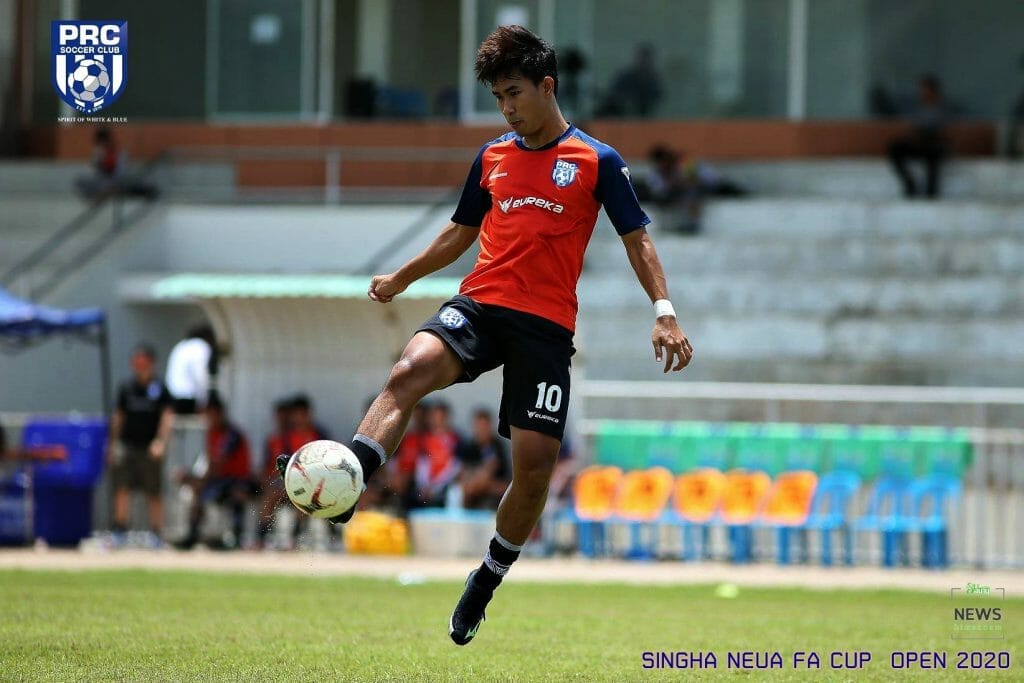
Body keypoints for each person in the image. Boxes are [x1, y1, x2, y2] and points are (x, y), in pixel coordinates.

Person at [273, 24, 691, 646]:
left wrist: (664, 310)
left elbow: (638, 239)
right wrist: (402, 276)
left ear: (547, 86)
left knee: (534, 469)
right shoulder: (493, 157)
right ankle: (352, 475)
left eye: (514, 93)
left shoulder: (597, 161)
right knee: (409, 369)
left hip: (545, 327)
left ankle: (486, 579)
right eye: (498, 98)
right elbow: (459, 233)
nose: (506, 108)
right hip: (481, 305)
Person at [107, 344, 174, 538]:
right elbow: (119, 417)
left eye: (143, 363)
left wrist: (160, 441)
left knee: (153, 491)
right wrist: (112, 444)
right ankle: (119, 529)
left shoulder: (160, 389)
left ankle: (156, 533)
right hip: (128, 445)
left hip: (149, 447)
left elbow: (167, 417)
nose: (140, 367)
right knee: (122, 487)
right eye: (136, 363)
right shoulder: (127, 388)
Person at [177, 392, 255, 549]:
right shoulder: (211, 433)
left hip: (238, 480)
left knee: (236, 493)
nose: (208, 418)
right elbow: (210, 464)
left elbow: (219, 463)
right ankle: (194, 534)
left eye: (211, 413)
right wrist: (194, 479)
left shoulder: (232, 435)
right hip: (221, 480)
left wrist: (198, 480)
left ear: (220, 413)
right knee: (197, 493)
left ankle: (236, 537)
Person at [635, 144, 746, 234]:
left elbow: (712, 180)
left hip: (695, 195)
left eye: (665, 162)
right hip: (672, 201)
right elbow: (659, 191)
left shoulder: (687, 166)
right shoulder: (656, 175)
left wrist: (690, 180)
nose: (663, 166)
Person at [887, 75, 948, 199]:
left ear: (933, 90)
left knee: (934, 153)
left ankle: (931, 192)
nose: (922, 92)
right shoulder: (919, 108)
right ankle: (910, 184)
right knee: (896, 148)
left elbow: (941, 131)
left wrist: (925, 135)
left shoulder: (942, 108)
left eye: (925, 89)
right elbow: (914, 128)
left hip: (933, 144)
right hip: (919, 143)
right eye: (921, 89)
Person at [75, 127, 158, 201]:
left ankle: (143, 191)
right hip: (104, 182)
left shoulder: (119, 152)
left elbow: (120, 173)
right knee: (81, 181)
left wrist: (105, 169)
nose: (103, 145)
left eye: (105, 142)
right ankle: (104, 193)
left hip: (116, 181)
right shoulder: (99, 153)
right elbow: (97, 173)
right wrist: (99, 164)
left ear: (109, 140)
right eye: (100, 143)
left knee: (130, 184)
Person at [456, 408, 510, 510]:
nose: (481, 431)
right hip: (473, 490)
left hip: (494, 491)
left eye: (484, 427)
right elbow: (463, 473)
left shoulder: (497, 446)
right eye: (479, 427)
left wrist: (479, 484)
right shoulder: (469, 447)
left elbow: (492, 471)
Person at [596, 44, 663, 118]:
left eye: (645, 59)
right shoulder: (626, 76)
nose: (643, 62)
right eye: (641, 58)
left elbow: (657, 97)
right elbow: (613, 93)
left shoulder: (653, 80)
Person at [165, 325, 217, 414]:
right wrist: (204, 401)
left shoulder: (182, 345)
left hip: (173, 396)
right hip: (189, 398)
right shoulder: (201, 346)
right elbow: (200, 375)